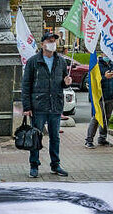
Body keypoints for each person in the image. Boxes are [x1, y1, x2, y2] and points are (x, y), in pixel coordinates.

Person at [22, 32, 73, 178]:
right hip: (38, 105)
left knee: (55, 137)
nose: (53, 43)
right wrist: (27, 107)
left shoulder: (61, 61)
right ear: (43, 44)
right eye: (50, 41)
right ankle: (34, 165)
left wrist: (66, 83)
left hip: (55, 105)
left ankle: (55, 165)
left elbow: (62, 82)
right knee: (36, 136)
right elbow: (26, 85)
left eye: (54, 41)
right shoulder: (33, 61)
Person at [85, 51, 113, 148]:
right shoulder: (96, 66)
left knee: (106, 118)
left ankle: (102, 138)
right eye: (105, 53)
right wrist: (104, 77)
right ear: (102, 53)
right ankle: (89, 140)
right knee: (96, 118)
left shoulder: (112, 65)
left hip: (110, 96)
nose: (107, 56)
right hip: (99, 97)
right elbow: (91, 80)